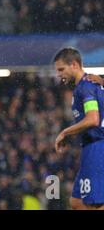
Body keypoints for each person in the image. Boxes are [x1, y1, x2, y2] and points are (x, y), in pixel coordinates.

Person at [54, 47, 104, 210]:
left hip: (97, 146)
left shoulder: (86, 87)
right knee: (77, 201)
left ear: (74, 64)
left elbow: (93, 119)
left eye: (61, 69)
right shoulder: (91, 84)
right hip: (92, 146)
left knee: (95, 204)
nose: (59, 74)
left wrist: (64, 132)